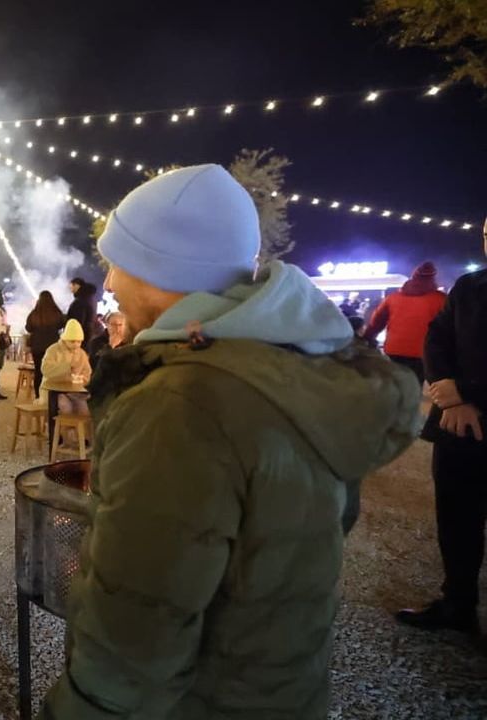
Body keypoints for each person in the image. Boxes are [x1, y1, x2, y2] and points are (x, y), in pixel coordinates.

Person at [40, 164, 421, 719]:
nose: (113, 283)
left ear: (160, 267)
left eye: (117, 261)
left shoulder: (182, 402)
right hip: (280, 686)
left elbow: (139, 624)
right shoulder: (287, 366)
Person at [395, 221, 487, 637]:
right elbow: (437, 340)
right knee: (456, 519)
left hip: (466, 410)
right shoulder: (470, 287)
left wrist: (465, 392)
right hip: (457, 424)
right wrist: (450, 396)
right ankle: (458, 604)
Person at [364, 262, 446, 384]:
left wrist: (367, 338)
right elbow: (450, 325)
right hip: (424, 352)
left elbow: (376, 321)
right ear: (432, 279)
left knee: (396, 385)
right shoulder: (441, 299)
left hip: (394, 349)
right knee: (415, 386)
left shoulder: (393, 298)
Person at [40, 319, 92, 445]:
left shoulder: (82, 354)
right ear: (65, 339)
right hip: (53, 390)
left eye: (79, 342)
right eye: (72, 341)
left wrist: (82, 379)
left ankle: (80, 436)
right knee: (65, 407)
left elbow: (87, 372)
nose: (76, 345)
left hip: (74, 390)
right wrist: (66, 367)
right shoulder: (53, 350)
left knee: (84, 408)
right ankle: (58, 435)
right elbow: (45, 370)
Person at [25, 290, 66, 399]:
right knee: (53, 370)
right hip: (53, 346)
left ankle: (39, 396)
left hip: (37, 346)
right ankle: (51, 396)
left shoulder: (34, 313)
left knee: (39, 370)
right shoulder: (56, 312)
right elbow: (63, 324)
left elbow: (28, 328)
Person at [66, 277, 99, 349]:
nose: (70, 288)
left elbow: (78, 321)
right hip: (88, 333)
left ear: (77, 285)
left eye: (71, 286)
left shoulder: (80, 300)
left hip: (80, 336)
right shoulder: (89, 297)